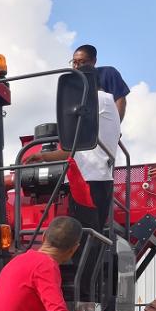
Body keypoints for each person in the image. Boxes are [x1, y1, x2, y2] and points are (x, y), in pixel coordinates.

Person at [23, 84, 120, 232]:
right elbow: (72, 150)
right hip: (99, 179)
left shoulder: (97, 99)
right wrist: (43, 156)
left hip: (87, 179)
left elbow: (69, 150)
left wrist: (42, 157)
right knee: (92, 234)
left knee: (83, 234)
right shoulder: (107, 105)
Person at [71, 44, 130, 121]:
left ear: (94, 61)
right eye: (74, 62)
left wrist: (116, 127)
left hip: (105, 125)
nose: (76, 66)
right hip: (82, 129)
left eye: (81, 62)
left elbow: (120, 100)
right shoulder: (72, 83)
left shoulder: (108, 73)